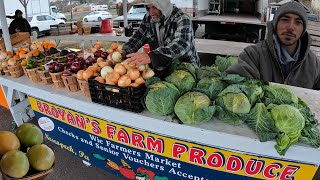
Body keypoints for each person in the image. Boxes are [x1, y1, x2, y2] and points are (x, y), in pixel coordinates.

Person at [226, 1, 320, 90]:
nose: (291, 27)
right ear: (275, 24)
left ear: (303, 29)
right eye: (285, 20)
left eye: (298, 22)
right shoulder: (253, 55)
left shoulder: (313, 64)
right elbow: (235, 81)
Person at [123, 0, 200, 70]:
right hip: (165, 68)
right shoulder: (148, 18)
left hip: (187, 69)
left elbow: (181, 44)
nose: (151, 12)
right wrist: (124, 51)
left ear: (164, 6)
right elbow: (138, 37)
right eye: (148, 8)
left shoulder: (182, 19)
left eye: (154, 7)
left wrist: (152, 56)